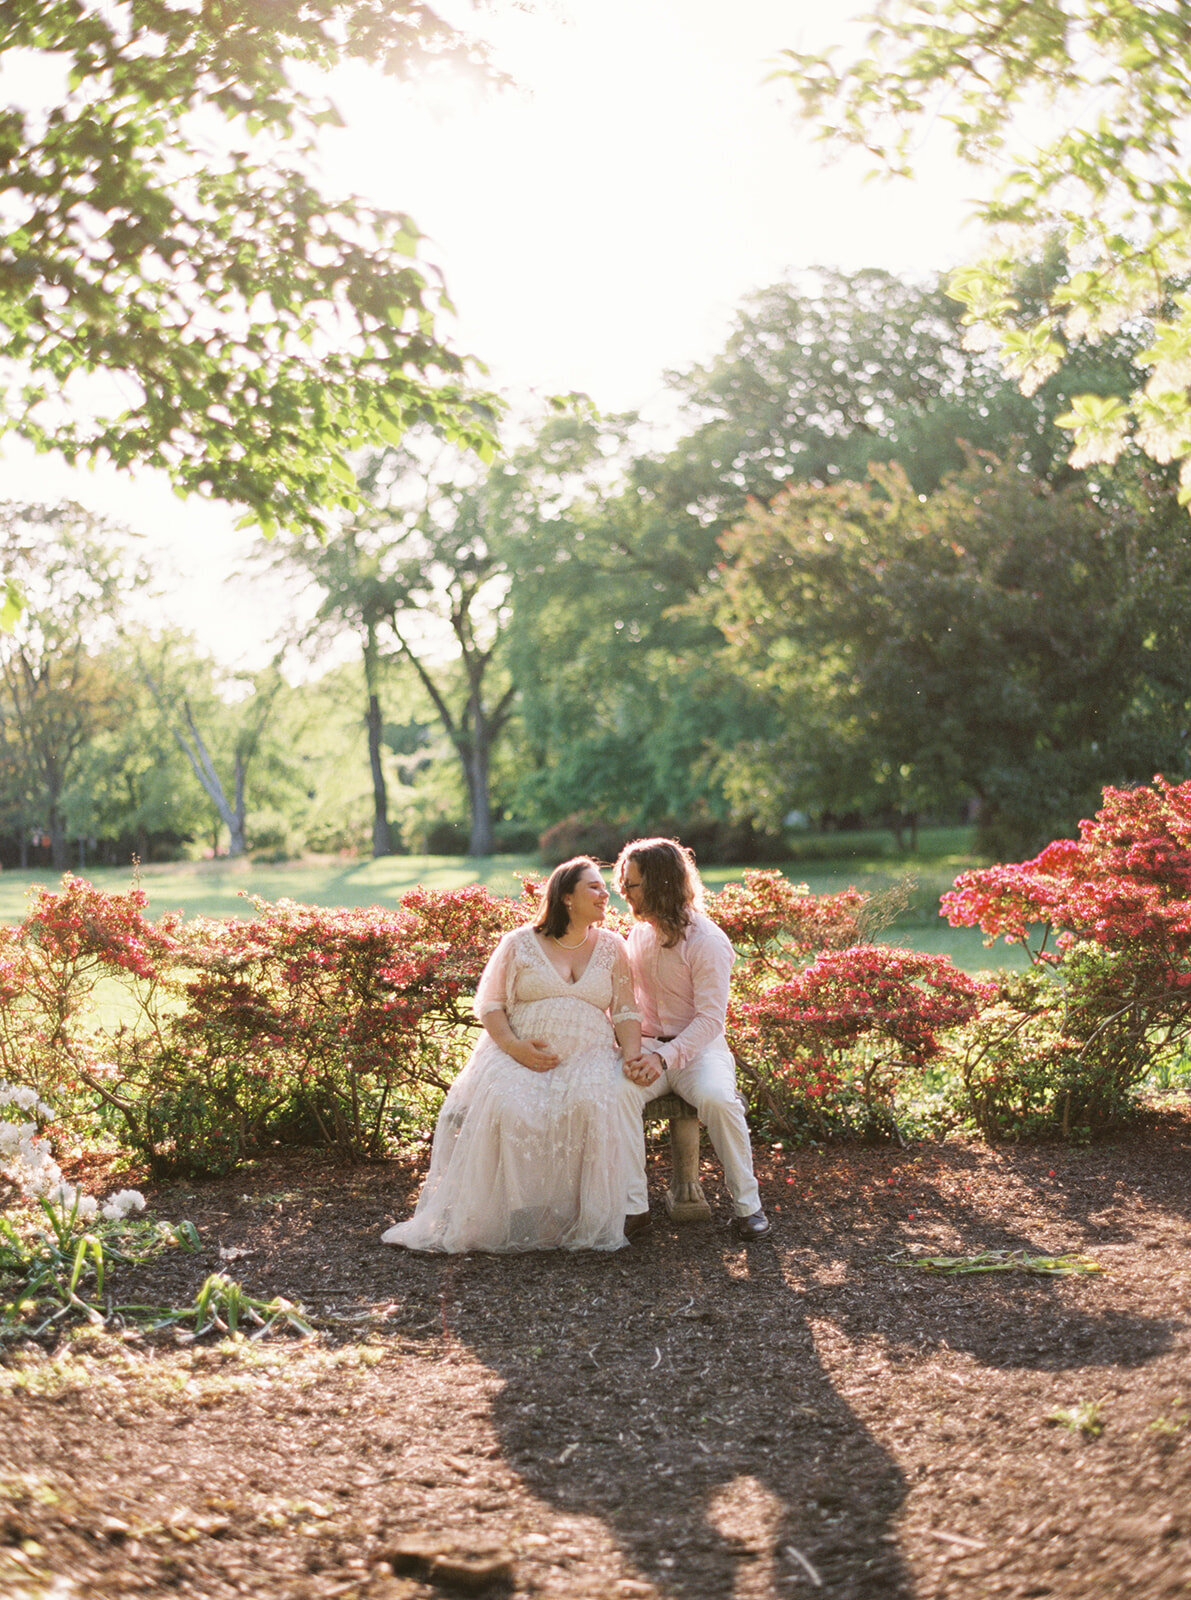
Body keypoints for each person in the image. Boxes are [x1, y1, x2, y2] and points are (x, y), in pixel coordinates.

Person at [382, 857, 642, 1253]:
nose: (606, 893)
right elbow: (490, 1004)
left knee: (592, 1103)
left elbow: (625, 1011)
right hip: (517, 1051)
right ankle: (520, 1217)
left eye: (604, 887)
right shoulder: (519, 942)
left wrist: (633, 1057)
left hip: (588, 1057)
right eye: (594, 886)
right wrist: (514, 1046)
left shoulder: (612, 947)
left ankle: (574, 1217)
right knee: (509, 1106)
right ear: (567, 897)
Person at [615, 837, 771, 1242]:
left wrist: (665, 1058)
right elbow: (627, 1001)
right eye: (624, 883)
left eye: (632, 884)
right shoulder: (638, 936)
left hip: (699, 1052)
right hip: (647, 1047)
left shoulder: (708, 941)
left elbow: (710, 1021)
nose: (623, 892)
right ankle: (635, 1209)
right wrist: (632, 1051)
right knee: (613, 1095)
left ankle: (748, 1208)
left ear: (661, 883)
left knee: (719, 1100)